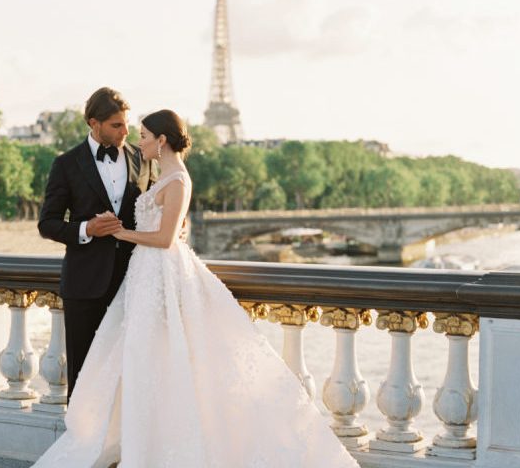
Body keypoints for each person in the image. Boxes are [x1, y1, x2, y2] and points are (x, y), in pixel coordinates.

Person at [33, 109, 359, 468]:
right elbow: (60, 221)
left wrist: (125, 232)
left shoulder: (166, 174)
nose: (133, 138)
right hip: (133, 278)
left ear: (161, 140)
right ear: (94, 123)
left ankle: (153, 450)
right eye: (124, 128)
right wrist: (102, 229)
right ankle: (133, 444)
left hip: (156, 275)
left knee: (161, 363)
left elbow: (165, 234)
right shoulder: (146, 170)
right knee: (138, 364)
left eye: (141, 134)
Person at [38, 87, 157, 400]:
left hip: (134, 283)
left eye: (126, 124)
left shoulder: (142, 158)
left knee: (131, 374)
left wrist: (177, 223)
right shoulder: (65, 164)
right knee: (83, 375)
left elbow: (158, 204)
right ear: (94, 123)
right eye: (117, 125)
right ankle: (80, 444)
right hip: (84, 285)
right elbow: (47, 223)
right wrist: (86, 228)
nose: (126, 131)